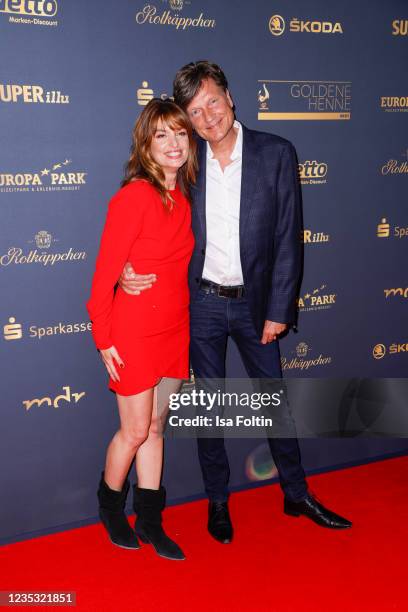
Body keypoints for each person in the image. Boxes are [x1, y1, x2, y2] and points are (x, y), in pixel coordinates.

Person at [119, 61, 352, 543]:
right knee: (210, 409)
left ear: (230, 98)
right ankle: (218, 501)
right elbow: (150, 219)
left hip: (256, 304)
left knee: (274, 403)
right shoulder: (186, 161)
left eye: (212, 103)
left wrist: (279, 309)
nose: (207, 118)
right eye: (195, 112)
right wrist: (125, 267)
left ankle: (296, 493)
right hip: (200, 305)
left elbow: (289, 238)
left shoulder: (275, 153)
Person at [87, 98, 197, 560]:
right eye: (162, 135)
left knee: (156, 425)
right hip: (132, 333)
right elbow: (102, 277)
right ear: (146, 146)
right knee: (133, 431)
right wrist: (103, 338)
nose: (174, 144)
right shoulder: (133, 197)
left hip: (175, 328)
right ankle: (111, 506)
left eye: (181, 133)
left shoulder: (184, 199)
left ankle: (150, 519)